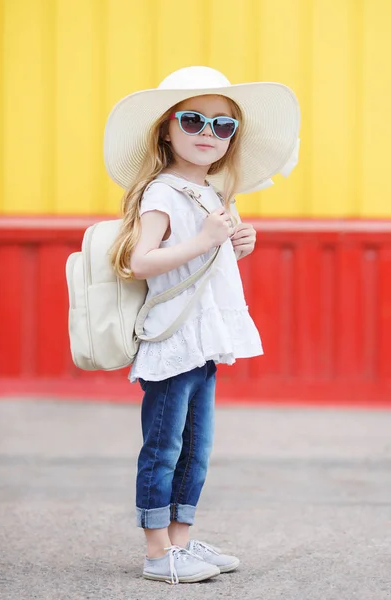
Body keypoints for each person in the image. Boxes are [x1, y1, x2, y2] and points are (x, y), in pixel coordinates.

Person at [103, 66, 300, 584]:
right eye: (193, 120)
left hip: (205, 336)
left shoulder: (212, 193)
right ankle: (156, 552)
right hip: (173, 338)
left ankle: (181, 543)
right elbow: (141, 261)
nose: (207, 133)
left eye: (222, 125)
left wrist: (236, 244)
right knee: (164, 446)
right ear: (166, 128)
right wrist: (204, 240)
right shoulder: (161, 193)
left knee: (197, 446)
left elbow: (203, 266)